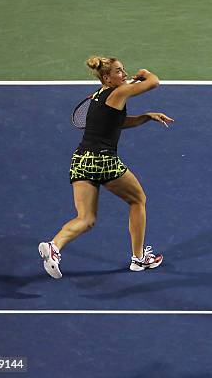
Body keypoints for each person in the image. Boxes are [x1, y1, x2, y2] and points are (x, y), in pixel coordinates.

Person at [38, 56, 174, 279]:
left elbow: (118, 123)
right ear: (106, 77)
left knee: (86, 219)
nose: (124, 74)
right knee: (138, 200)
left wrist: (146, 117)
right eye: (119, 71)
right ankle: (138, 259)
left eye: (124, 70)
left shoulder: (98, 97)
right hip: (103, 160)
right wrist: (144, 73)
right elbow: (154, 82)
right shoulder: (119, 93)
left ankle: (54, 246)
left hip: (81, 160)